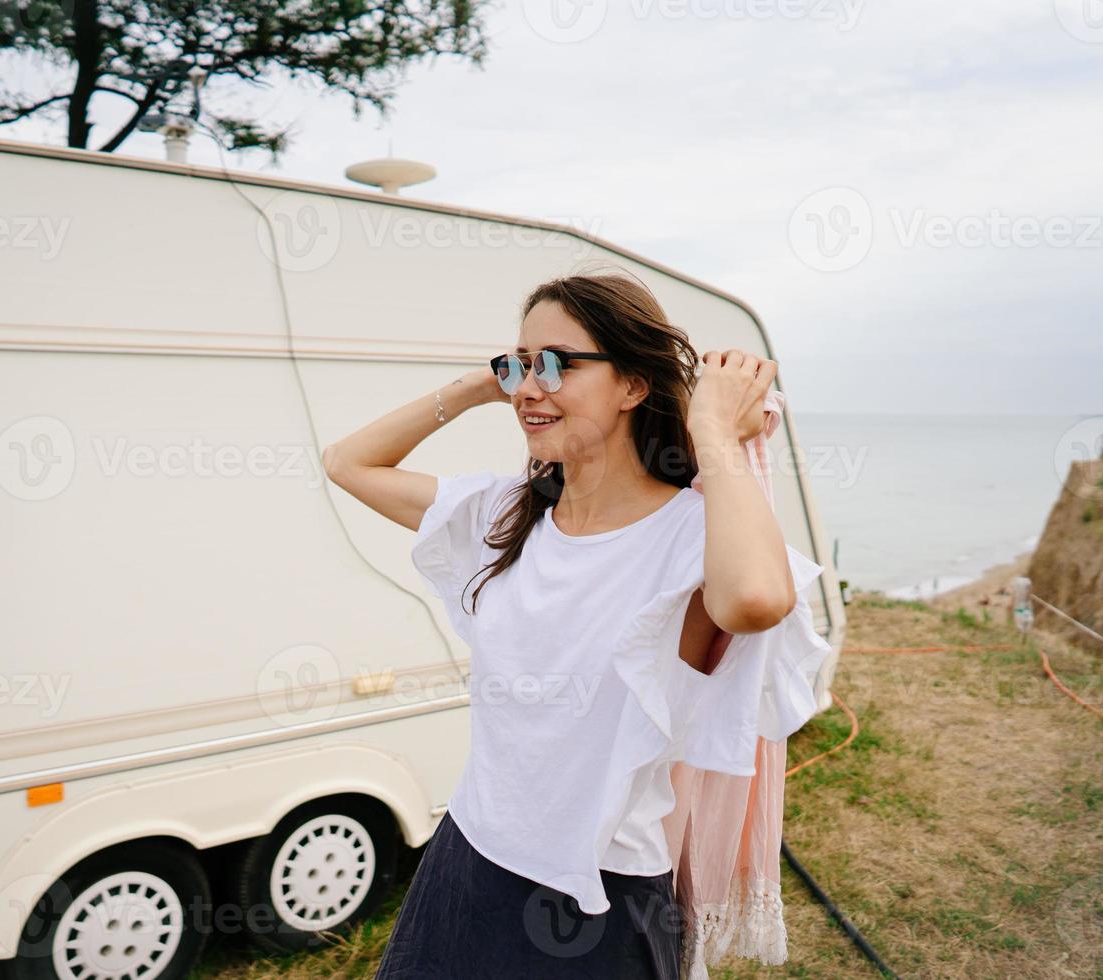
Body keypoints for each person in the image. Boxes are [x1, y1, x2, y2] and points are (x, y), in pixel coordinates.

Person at [321, 271, 829, 979]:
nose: (530, 386)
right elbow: (348, 462)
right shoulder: (504, 516)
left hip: (599, 901)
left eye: (557, 363)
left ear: (632, 385)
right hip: (465, 862)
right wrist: (483, 386)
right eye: (520, 364)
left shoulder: (691, 536)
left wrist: (712, 429)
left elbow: (754, 600)